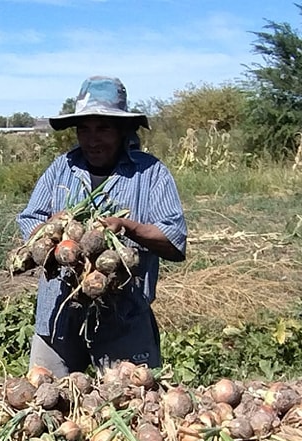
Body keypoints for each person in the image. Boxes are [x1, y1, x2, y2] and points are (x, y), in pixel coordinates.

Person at [16, 76, 187, 376]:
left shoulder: (150, 173)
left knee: (133, 406)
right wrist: (52, 229)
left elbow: (174, 242)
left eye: (104, 128)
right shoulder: (61, 168)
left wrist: (127, 228)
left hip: (125, 318)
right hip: (59, 317)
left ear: (124, 130)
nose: (92, 139)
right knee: (46, 402)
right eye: (85, 128)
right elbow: (30, 222)